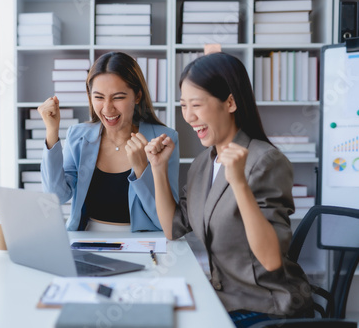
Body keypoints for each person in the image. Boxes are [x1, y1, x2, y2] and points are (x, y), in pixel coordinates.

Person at [144, 52, 313, 327]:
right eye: (183, 105)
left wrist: (240, 184)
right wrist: (158, 168)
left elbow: (271, 260)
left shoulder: (265, 160)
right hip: (225, 299)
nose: (188, 116)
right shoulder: (203, 163)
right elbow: (173, 228)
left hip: (267, 307)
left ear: (230, 102)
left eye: (196, 104)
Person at [38, 51, 179, 232]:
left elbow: (165, 222)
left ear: (137, 96)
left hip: (143, 242)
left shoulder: (164, 140)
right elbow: (56, 195)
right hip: (88, 239)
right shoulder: (78, 136)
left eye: (118, 97)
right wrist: (52, 132)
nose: (107, 108)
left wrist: (142, 169)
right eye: (98, 97)